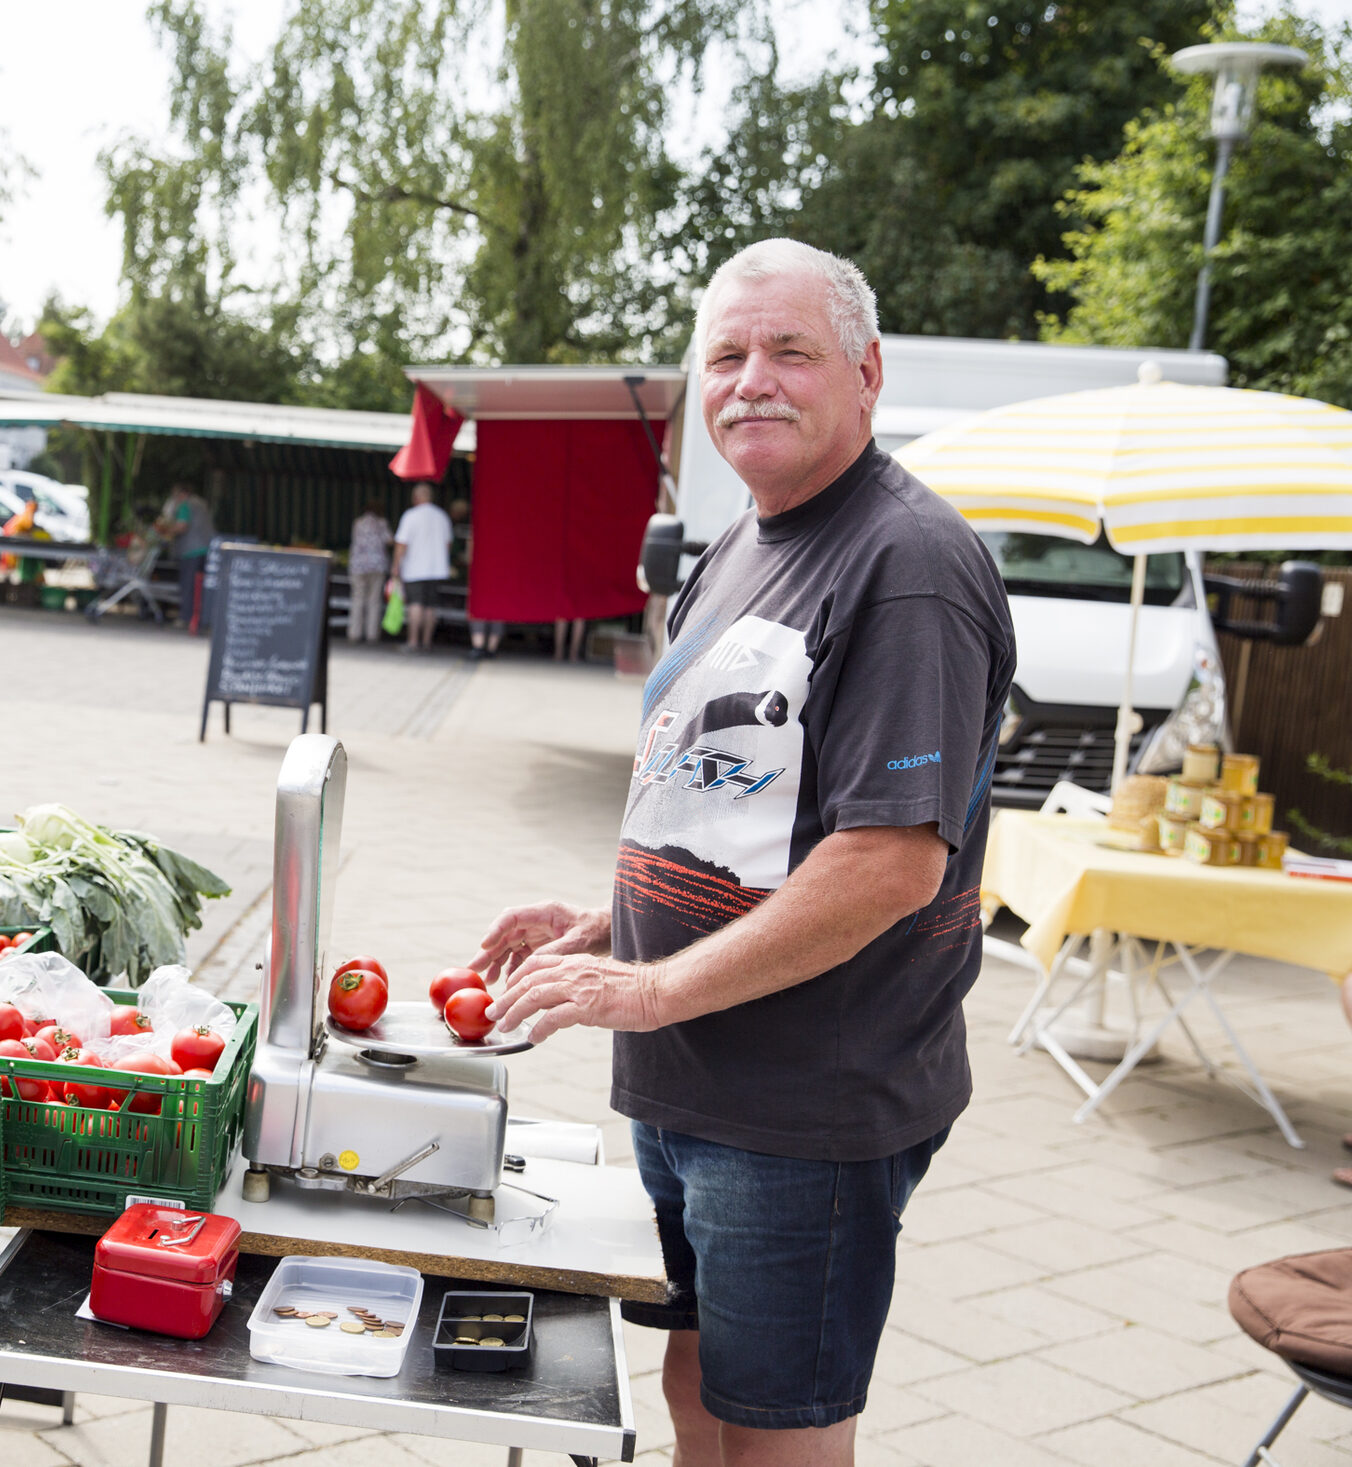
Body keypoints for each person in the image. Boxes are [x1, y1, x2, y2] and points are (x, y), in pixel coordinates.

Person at [470, 239, 1015, 1467]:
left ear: (866, 374)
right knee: (694, 1377)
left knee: (782, 1428)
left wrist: (653, 987)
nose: (750, 380)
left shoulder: (905, 565)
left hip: (804, 1097)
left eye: (789, 351)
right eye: (724, 355)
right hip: (690, 1072)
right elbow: (731, 816)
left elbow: (888, 862)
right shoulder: (737, 548)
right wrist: (610, 926)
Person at [390, 481, 452, 652]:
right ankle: (426, 642)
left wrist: (396, 565)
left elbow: (401, 544)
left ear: (416, 497)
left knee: (415, 604)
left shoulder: (410, 516)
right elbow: (448, 545)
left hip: (414, 568)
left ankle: (413, 641)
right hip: (436, 568)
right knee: (430, 606)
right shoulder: (442, 516)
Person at [154, 484, 215, 634]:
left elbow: (182, 526)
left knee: (188, 585)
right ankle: (203, 618)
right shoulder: (201, 503)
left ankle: (185, 618)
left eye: (175, 495)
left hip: (191, 551)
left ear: (181, 494)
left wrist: (165, 531)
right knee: (203, 585)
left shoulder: (185, 505)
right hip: (207, 548)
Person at [447, 496, 503, 660]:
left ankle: (478, 646)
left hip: (481, 573)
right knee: (498, 610)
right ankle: (492, 648)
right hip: (500, 575)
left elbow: (470, 555)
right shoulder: (507, 529)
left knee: (478, 607)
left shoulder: (478, 526)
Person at [347, 500, 393, 643]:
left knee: (357, 598)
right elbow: (390, 540)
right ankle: (372, 634)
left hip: (358, 565)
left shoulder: (358, 523)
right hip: (377, 566)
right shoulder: (382, 523)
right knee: (374, 600)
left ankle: (354, 633)